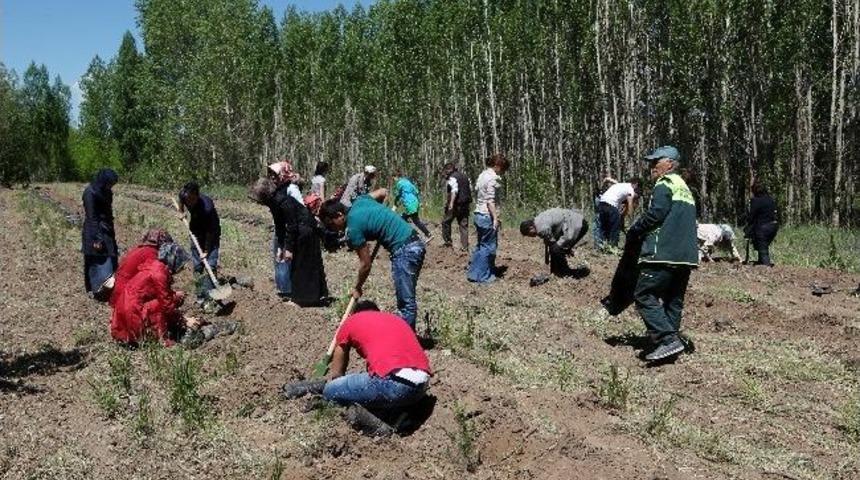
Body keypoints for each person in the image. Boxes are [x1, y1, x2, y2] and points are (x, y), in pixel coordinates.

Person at [626, 146, 698, 362]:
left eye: (656, 161)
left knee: (644, 294)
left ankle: (667, 340)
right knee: (673, 300)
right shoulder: (684, 187)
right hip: (686, 256)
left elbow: (655, 214)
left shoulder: (664, 184)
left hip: (663, 252)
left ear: (669, 164)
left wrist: (635, 230)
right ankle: (672, 342)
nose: (651, 166)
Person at [319, 191, 426, 329]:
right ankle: (406, 336)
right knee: (406, 300)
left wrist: (357, 287)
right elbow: (383, 192)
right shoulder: (361, 200)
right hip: (413, 242)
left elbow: (366, 264)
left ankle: (406, 339)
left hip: (405, 250)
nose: (334, 229)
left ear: (340, 215)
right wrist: (382, 215)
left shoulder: (353, 228)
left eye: (331, 225)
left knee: (406, 303)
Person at [323, 300, 431, 435]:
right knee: (380, 389)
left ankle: (381, 423)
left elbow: (340, 354)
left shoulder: (352, 320)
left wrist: (337, 384)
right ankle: (397, 415)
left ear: (356, 313)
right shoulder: (396, 320)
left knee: (330, 391)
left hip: (393, 384)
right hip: (420, 388)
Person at [252, 178, 329, 306]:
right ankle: (308, 297)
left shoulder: (283, 202)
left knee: (303, 265)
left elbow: (292, 226)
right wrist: (280, 246)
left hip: (306, 230)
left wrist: (288, 248)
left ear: (264, 195)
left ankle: (304, 299)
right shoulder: (274, 202)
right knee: (299, 265)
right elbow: (279, 225)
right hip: (300, 230)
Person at [110, 242, 191, 345]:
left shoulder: (156, 266)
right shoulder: (159, 274)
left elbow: (161, 293)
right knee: (160, 305)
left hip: (125, 311)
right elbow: (167, 305)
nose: (181, 268)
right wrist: (183, 320)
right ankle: (161, 339)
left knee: (170, 299)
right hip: (133, 314)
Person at [467, 154, 509, 284]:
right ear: (498, 166)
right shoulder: (492, 178)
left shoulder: (482, 175)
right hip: (487, 216)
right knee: (489, 247)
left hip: (478, 214)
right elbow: (490, 201)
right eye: (503, 169)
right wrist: (495, 218)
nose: (503, 172)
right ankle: (484, 277)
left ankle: (474, 274)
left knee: (481, 245)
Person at [179, 182, 222, 307]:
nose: (189, 202)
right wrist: (181, 211)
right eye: (187, 199)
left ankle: (212, 297)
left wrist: (206, 251)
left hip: (211, 233)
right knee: (198, 266)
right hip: (195, 230)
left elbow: (210, 232)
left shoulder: (207, 208)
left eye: (191, 199)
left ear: (197, 196)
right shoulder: (184, 195)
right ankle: (200, 296)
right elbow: (181, 198)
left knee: (210, 265)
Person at [81, 168, 119, 301]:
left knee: (111, 257)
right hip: (94, 231)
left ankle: (109, 289)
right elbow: (92, 217)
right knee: (98, 260)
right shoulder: (90, 193)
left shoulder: (107, 192)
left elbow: (108, 212)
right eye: (109, 183)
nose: (110, 186)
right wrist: (97, 239)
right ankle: (98, 290)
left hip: (107, 229)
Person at [110, 229, 174, 306]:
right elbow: (157, 281)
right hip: (125, 297)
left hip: (120, 293)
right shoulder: (152, 254)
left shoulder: (141, 249)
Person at [519, 208, 589, 277]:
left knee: (556, 249)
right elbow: (549, 243)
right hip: (578, 221)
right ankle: (557, 271)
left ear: (531, 228)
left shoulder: (541, 229)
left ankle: (565, 272)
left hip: (578, 225)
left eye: (529, 234)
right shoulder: (537, 220)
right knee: (556, 248)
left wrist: (566, 248)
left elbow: (552, 245)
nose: (531, 236)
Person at [597, 178, 640, 248]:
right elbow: (630, 205)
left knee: (604, 226)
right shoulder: (631, 190)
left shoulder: (621, 185)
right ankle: (613, 246)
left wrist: (622, 220)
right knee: (615, 227)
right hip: (611, 204)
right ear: (636, 185)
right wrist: (631, 219)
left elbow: (624, 210)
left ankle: (602, 246)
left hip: (601, 203)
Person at [745, 183, 779, 266]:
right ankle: (761, 262)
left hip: (763, 227)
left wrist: (748, 224)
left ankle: (766, 265)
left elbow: (751, 216)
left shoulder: (755, 201)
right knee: (762, 245)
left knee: (763, 248)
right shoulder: (770, 199)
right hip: (774, 226)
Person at [392, 170, 432, 240]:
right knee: (413, 220)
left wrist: (394, 206)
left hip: (410, 204)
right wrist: (420, 202)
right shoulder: (407, 182)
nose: (393, 180)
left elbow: (397, 195)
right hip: (415, 202)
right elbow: (416, 192)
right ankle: (427, 234)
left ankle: (420, 236)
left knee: (405, 220)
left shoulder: (399, 183)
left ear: (396, 177)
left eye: (393, 178)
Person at [441, 163, 472, 251]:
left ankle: (448, 243)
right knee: (463, 225)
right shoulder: (465, 176)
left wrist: (451, 203)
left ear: (448, 170)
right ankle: (465, 247)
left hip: (456, 204)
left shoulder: (452, 177)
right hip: (465, 204)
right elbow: (469, 189)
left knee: (446, 222)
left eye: (445, 171)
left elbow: (454, 190)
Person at [592, 176, 617, 249]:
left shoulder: (610, 193)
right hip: (600, 206)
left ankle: (604, 244)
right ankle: (599, 245)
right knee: (598, 225)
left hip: (604, 208)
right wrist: (611, 180)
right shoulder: (601, 192)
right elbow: (606, 179)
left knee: (604, 225)